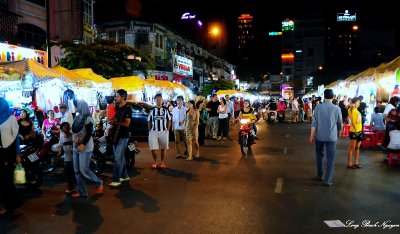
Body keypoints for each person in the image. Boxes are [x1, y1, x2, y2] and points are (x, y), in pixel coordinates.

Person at [309, 89, 342, 186]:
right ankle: (327, 180)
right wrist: (339, 132)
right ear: (333, 97)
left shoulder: (318, 108)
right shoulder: (337, 108)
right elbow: (339, 123)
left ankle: (319, 175)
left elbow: (314, 123)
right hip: (332, 137)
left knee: (319, 156)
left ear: (324, 96)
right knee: (330, 158)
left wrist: (311, 136)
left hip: (320, 136)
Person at [71, 100, 103, 198]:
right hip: (76, 146)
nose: (74, 107)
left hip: (85, 147)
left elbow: (89, 133)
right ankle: (82, 191)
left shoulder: (88, 118)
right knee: (77, 170)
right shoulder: (77, 117)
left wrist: (83, 144)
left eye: (76, 105)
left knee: (83, 169)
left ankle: (99, 183)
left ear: (81, 106)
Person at [0, 97, 24, 216]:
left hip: (8, 153)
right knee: (4, 181)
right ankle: (12, 204)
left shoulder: (11, 118)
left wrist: (18, 154)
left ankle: (9, 206)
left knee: (6, 181)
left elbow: (16, 138)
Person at [109, 89, 132, 187]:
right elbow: (115, 118)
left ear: (122, 97)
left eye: (117, 96)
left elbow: (127, 124)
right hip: (115, 135)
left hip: (123, 136)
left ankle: (116, 179)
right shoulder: (117, 107)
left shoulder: (128, 108)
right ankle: (125, 176)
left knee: (118, 158)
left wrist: (115, 122)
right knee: (120, 158)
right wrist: (111, 121)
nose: (116, 97)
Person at [148, 93, 172, 169]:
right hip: (153, 131)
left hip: (163, 131)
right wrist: (150, 130)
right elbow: (149, 120)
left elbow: (169, 120)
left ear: (162, 100)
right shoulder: (152, 110)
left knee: (163, 147)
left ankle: (162, 162)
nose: (158, 101)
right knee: (153, 148)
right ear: (155, 101)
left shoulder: (165, 110)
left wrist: (167, 129)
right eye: (157, 99)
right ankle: (155, 162)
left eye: (160, 99)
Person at [58, 122, 76, 194]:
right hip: (67, 158)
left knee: (75, 173)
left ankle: (78, 186)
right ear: (62, 129)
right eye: (65, 126)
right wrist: (59, 153)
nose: (67, 127)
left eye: (68, 126)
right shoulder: (62, 138)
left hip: (75, 158)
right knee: (69, 173)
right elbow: (61, 147)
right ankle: (70, 186)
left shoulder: (74, 136)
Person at [347, 97, 363, 169]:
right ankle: (349, 163)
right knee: (352, 148)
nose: (359, 104)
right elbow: (357, 121)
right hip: (354, 131)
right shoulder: (352, 110)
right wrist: (351, 105)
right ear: (354, 103)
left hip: (359, 131)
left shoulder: (355, 110)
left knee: (357, 147)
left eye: (359, 102)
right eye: (358, 102)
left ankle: (356, 162)